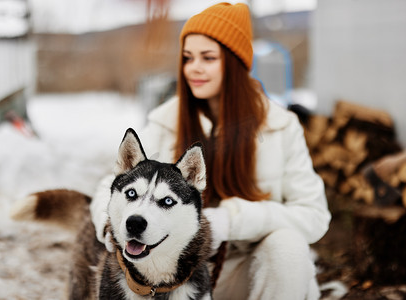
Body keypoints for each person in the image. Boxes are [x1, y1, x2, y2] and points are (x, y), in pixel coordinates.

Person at [90, 2, 331, 299]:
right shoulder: (167, 121)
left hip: (250, 271)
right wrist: (112, 228)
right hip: (177, 275)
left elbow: (313, 215)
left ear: (233, 63)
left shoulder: (280, 127)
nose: (195, 68)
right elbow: (111, 186)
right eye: (188, 58)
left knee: (288, 246)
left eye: (208, 57)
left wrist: (233, 219)